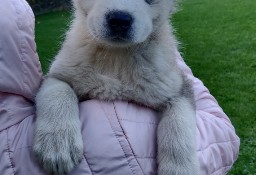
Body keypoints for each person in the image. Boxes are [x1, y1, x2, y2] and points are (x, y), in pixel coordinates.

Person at [0, 0, 240, 174]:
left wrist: (179, 159)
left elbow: (179, 96)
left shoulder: (162, 61)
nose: (120, 10)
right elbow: (57, 80)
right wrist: (57, 121)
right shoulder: (76, 50)